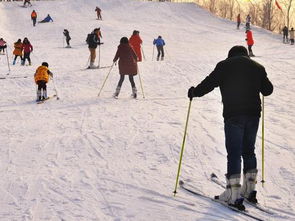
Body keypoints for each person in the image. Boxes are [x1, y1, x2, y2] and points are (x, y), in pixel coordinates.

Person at [187, 45, 273, 210]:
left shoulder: (224, 65)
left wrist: (194, 92)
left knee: (234, 153)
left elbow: (208, 84)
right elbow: (268, 90)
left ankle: (233, 195)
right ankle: (250, 191)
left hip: (234, 115)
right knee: (249, 151)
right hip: (253, 115)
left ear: (230, 56)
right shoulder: (258, 67)